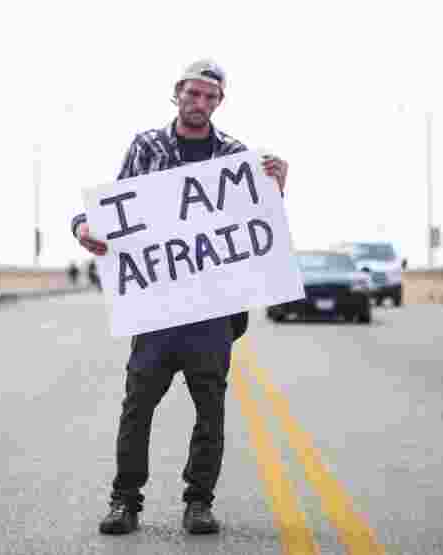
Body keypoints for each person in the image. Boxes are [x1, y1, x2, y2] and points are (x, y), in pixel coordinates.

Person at [70, 59, 288, 536]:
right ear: (178, 94)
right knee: (137, 406)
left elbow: (258, 230)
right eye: (193, 94)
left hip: (211, 311)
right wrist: (82, 226)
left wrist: (278, 189)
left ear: (219, 102)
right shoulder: (146, 146)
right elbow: (112, 209)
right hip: (155, 308)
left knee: (210, 409)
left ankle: (198, 502)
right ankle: (125, 500)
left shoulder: (234, 156)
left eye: (210, 97)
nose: (200, 103)